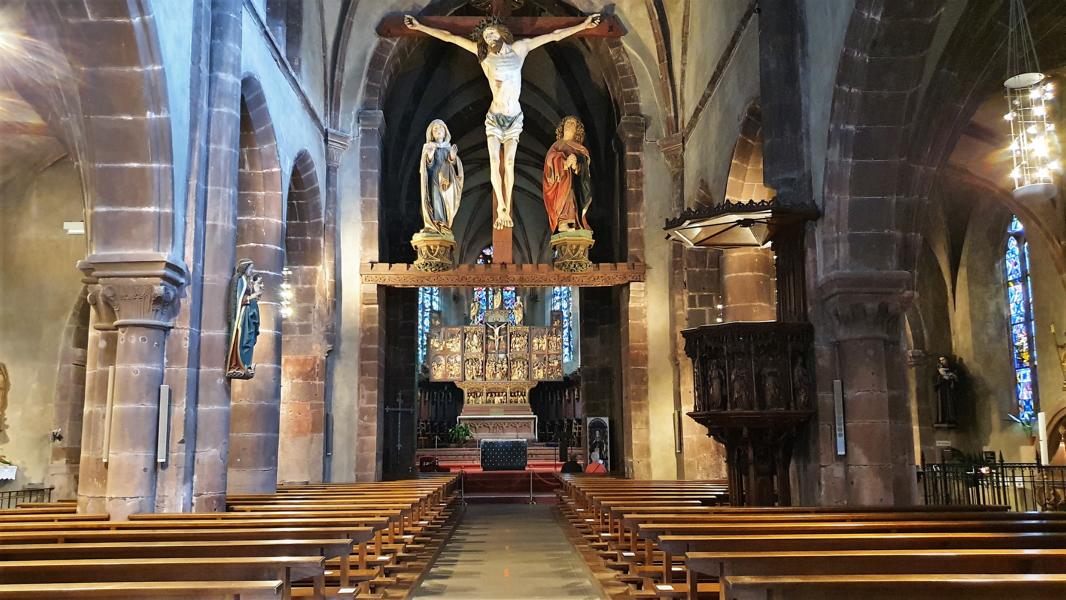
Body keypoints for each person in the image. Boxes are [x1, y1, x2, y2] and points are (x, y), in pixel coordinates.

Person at [404, 13, 601, 230]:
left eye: (491, 33)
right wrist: (420, 27)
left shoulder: (521, 49)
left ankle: (506, 205)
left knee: (508, 163)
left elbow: (553, 36)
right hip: (495, 118)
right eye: (485, 36)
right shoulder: (484, 57)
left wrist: (582, 25)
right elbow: (450, 37)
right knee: (495, 163)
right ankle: (502, 210)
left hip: (514, 117)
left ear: (502, 32)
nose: (488, 38)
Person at [543, 116, 592, 233]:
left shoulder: (581, 149)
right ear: (562, 127)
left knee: (572, 197)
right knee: (567, 197)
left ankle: (576, 222)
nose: (569, 125)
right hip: (560, 185)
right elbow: (549, 165)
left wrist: (576, 165)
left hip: (575, 186)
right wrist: (563, 163)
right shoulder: (555, 146)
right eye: (567, 123)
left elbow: (585, 172)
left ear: (577, 130)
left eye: (573, 124)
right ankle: (565, 221)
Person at [419, 119, 464, 233]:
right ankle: (438, 221)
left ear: (445, 132)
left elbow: (454, 166)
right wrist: (429, 156)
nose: (438, 130)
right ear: (431, 134)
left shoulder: (448, 148)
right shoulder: (428, 147)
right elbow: (426, 167)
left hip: (446, 180)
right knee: (435, 198)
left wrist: (453, 157)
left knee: (445, 199)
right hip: (433, 177)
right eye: (435, 129)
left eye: (441, 128)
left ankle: (444, 223)